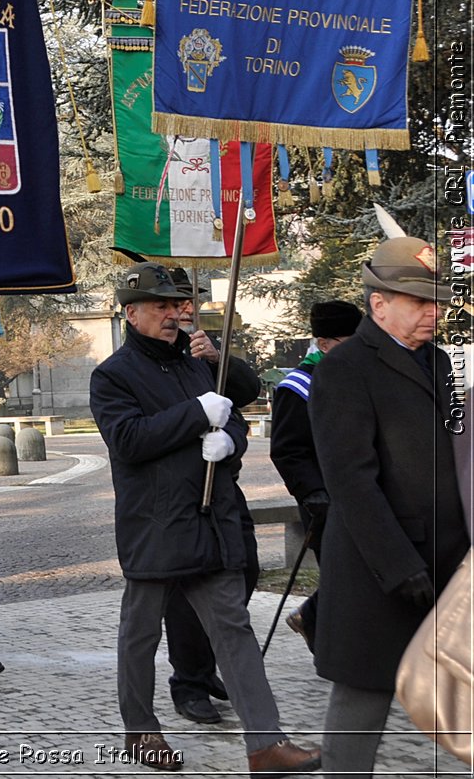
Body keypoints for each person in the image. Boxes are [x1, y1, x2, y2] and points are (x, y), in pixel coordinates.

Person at [90, 260, 318, 774]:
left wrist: (228, 442)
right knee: (141, 634)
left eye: (178, 305)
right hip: (155, 523)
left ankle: (265, 743)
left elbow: (232, 417)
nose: (175, 314)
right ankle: (141, 731)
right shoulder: (112, 376)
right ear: (131, 313)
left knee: (233, 629)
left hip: (210, 517)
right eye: (162, 306)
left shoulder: (196, 363)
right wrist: (198, 415)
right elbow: (128, 440)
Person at [308, 237, 468, 776]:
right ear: (379, 304)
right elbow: (350, 481)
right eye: (420, 302)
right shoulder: (345, 368)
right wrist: (398, 565)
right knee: (362, 703)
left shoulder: (442, 362)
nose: (434, 312)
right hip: (382, 570)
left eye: (437, 301)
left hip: (451, 563)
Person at [158, 269, 262, 726]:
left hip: (222, 487)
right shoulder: (145, 360)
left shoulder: (200, 351)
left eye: (189, 300)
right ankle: (189, 680)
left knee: (245, 570)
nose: (183, 310)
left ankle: (210, 662)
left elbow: (244, 397)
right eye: (177, 302)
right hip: (180, 495)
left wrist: (218, 359)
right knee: (189, 590)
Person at [268, 299, 361, 653]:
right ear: (324, 345)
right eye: (350, 341)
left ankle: (315, 618)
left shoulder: (355, 375)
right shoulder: (297, 387)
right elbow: (288, 451)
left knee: (359, 573)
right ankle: (332, 642)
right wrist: (312, 494)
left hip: (360, 491)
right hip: (323, 499)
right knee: (343, 573)